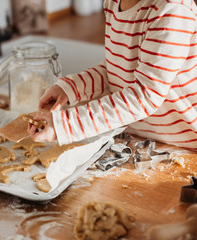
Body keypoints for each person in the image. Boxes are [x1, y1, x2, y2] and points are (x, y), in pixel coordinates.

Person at [29, 0, 197, 150]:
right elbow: (116, 69)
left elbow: (146, 95)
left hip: (181, 144)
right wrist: (70, 89)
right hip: (138, 137)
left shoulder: (172, 10)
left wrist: (65, 125)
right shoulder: (113, 3)